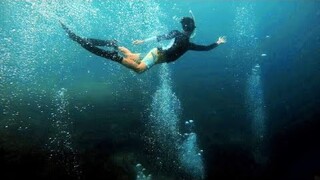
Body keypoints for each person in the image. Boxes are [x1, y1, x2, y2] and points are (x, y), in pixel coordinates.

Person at [61, 16, 226, 74]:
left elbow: (160, 37)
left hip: (157, 54)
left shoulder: (182, 37)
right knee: (139, 69)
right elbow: (205, 48)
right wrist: (217, 43)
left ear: (185, 28)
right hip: (157, 55)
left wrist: (143, 41)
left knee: (132, 56)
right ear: (192, 30)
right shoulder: (187, 42)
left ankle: (114, 45)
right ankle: (114, 56)